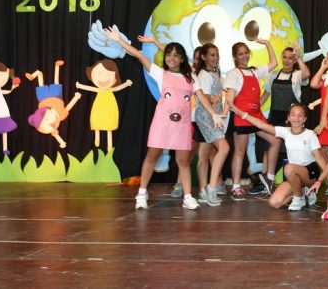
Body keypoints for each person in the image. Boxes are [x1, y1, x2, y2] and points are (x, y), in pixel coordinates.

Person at [107, 27, 199, 211]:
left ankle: (188, 197)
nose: (171, 58)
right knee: (152, 156)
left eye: (176, 55)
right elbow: (138, 55)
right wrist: (119, 40)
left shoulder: (191, 77)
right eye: (168, 55)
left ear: (182, 59)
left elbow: (180, 60)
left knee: (183, 161)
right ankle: (142, 193)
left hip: (181, 126)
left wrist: (157, 42)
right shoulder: (159, 73)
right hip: (162, 124)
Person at [230, 103, 328, 211]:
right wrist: (241, 114)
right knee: (274, 203)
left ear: (304, 119)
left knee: (289, 168)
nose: (296, 118)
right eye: (293, 115)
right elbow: (262, 125)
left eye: (300, 115)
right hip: (293, 176)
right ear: (289, 117)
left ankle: (299, 198)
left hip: (310, 173)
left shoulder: (310, 134)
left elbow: (319, 158)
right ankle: (302, 192)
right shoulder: (285, 132)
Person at [224, 39, 279, 200]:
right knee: (240, 151)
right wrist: (224, 115)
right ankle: (236, 187)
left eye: (246, 53)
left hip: (256, 116)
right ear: (235, 57)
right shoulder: (233, 73)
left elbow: (274, 63)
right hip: (241, 117)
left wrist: (267, 43)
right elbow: (230, 98)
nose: (244, 56)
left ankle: (268, 177)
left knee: (275, 140)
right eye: (240, 54)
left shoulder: (255, 71)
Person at [256, 43, 311, 194]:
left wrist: (299, 57)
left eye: (290, 58)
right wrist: (252, 109)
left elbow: (307, 74)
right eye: (285, 57)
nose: (287, 60)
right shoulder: (274, 75)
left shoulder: (298, 75)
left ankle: (294, 182)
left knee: (289, 149)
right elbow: (265, 95)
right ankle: (266, 182)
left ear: (294, 60)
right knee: (268, 147)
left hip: (291, 119)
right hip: (274, 116)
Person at [193, 43, 230, 206]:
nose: (215, 58)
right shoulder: (204, 74)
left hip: (214, 117)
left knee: (204, 154)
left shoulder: (216, 73)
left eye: (217, 55)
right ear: (203, 57)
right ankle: (212, 187)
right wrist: (213, 99)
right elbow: (204, 96)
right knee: (224, 148)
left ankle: (203, 191)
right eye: (212, 55)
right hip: (207, 118)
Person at [75, 59, 133, 152]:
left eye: (107, 74)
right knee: (97, 121)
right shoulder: (100, 90)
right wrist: (80, 86)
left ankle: (109, 145)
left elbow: (118, 88)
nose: (103, 78)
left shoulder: (110, 90)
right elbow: (89, 88)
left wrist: (126, 84)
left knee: (109, 126)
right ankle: (97, 137)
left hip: (110, 108)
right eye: (100, 73)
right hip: (99, 108)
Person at [26, 60, 82, 149]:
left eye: (45, 118)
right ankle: (57, 66)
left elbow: (54, 132)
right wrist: (76, 97)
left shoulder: (44, 110)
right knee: (56, 81)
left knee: (40, 76)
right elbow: (68, 107)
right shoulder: (61, 115)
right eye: (48, 120)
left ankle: (34, 75)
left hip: (43, 98)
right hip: (56, 96)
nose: (48, 118)